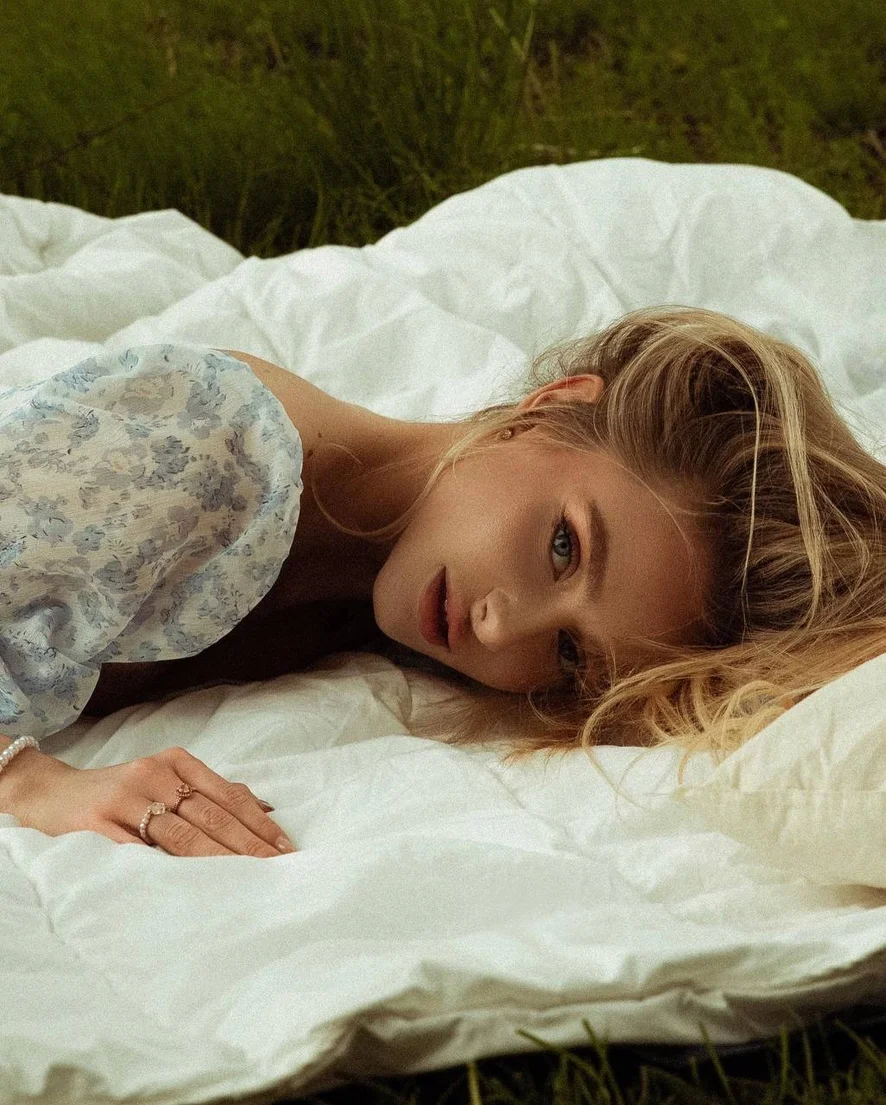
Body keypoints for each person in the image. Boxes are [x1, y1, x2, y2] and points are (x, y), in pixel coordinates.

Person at [1, 305, 884, 856]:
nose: (502, 628)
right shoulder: (207, 446)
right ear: (551, 406)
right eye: (566, 547)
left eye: (570, 653)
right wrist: (31, 783)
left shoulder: (363, 595)